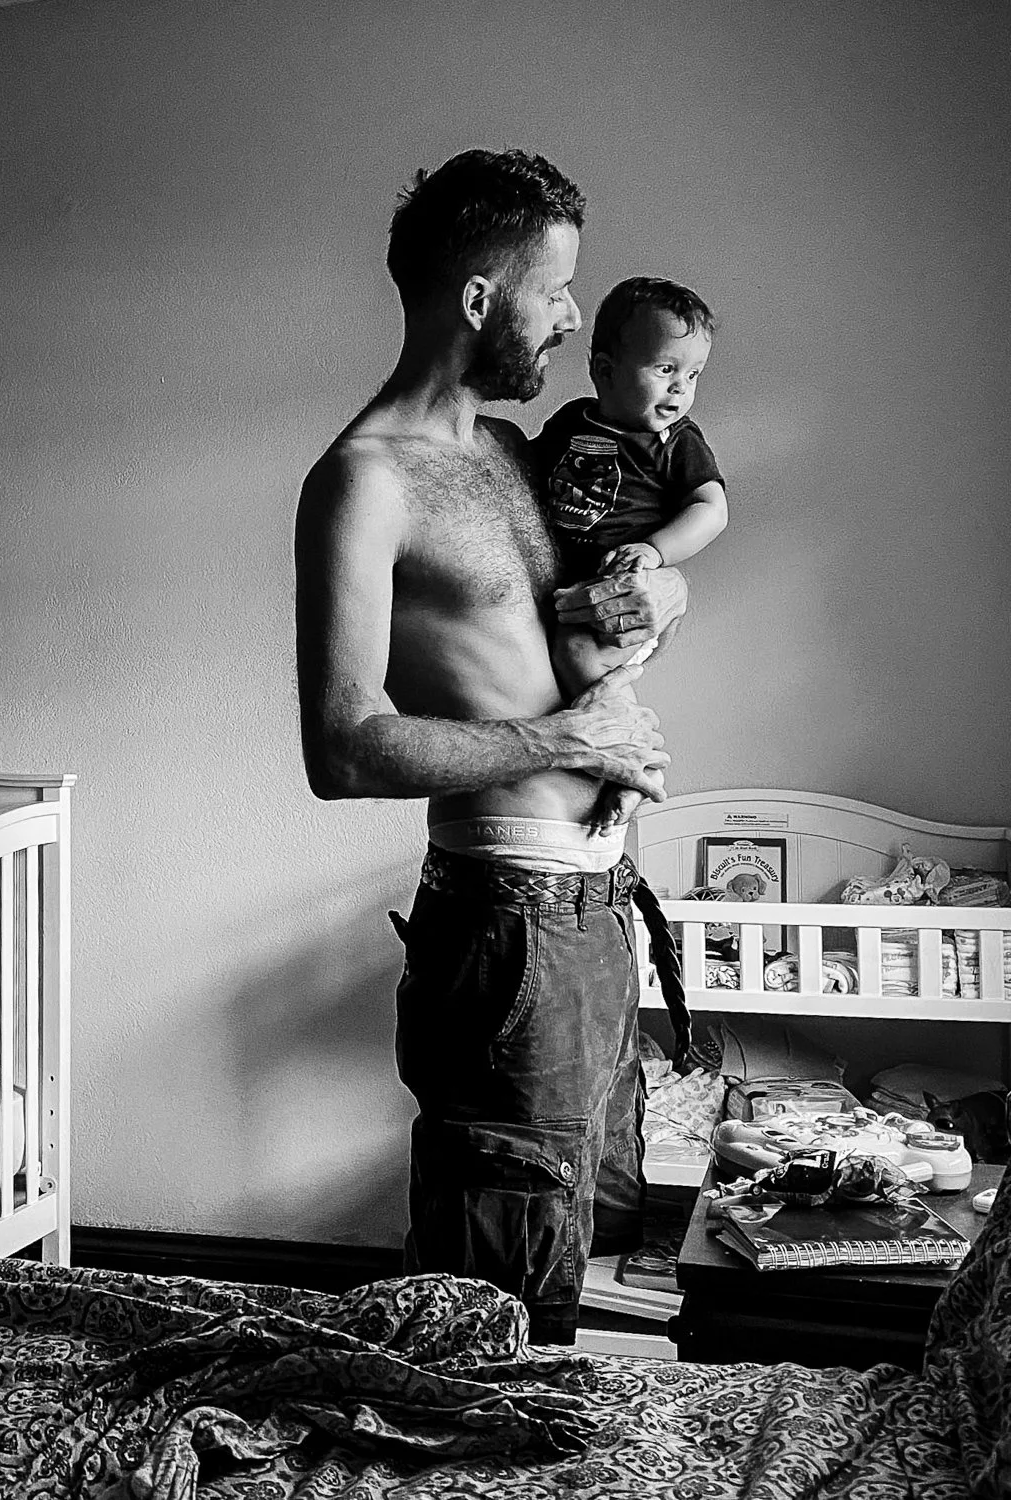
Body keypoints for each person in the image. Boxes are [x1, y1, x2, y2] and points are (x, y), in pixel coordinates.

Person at [294, 148, 691, 1345]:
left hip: (592, 909)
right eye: (555, 291)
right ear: (479, 297)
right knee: (494, 1295)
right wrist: (563, 736)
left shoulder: (515, 459)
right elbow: (343, 746)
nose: (573, 318)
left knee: (579, 1237)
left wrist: (656, 594)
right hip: (506, 922)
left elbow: (590, 626)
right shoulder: (364, 482)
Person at [531, 277, 729, 831]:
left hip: (620, 595)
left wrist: (656, 551)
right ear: (604, 369)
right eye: (666, 370)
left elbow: (712, 507)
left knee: (576, 658)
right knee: (561, 666)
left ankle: (633, 771)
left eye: (692, 376)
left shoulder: (677, 441)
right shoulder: (573, 421)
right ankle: (616, 759)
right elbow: (531, 472)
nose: (680, 390)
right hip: (576, 589)